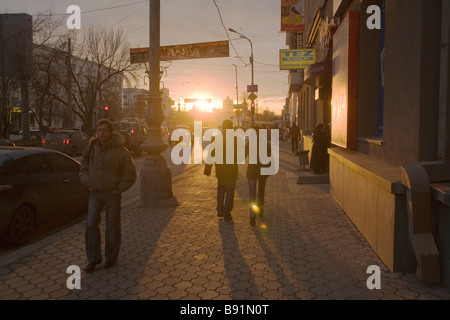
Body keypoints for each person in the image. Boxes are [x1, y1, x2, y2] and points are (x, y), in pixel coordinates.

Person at [79, 119, 137, 273]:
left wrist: (118, 189)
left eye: (104, 130)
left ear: (111, 133)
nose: (101, 133)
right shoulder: (91, 147)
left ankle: (111, 257)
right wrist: (87, 182)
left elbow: (130, 173)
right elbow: (83, 166)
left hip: (112, 194)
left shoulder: (120, 151)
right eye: (99, 130)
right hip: (95, 192)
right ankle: (93, 259)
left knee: (112, 226)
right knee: (91, 224)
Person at [204, 119, 238, 222]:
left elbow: (211, 153)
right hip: (231, 170)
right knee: (230, 191)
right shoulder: (235, 139)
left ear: (222, 127)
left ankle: (219, 210)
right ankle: (227, 213)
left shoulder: (216, 138)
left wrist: (207, 169)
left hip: (220, 169)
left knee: (221, 189)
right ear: (231, 127)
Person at [246, 126, 272, 226]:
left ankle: (252, 216)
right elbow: (269, 158)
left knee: (252, 193)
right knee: (261, 190)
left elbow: (242, 156)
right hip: (262, 171)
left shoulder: (249, 144)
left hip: (252, 171)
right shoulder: (266, 144)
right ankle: (260, 209)